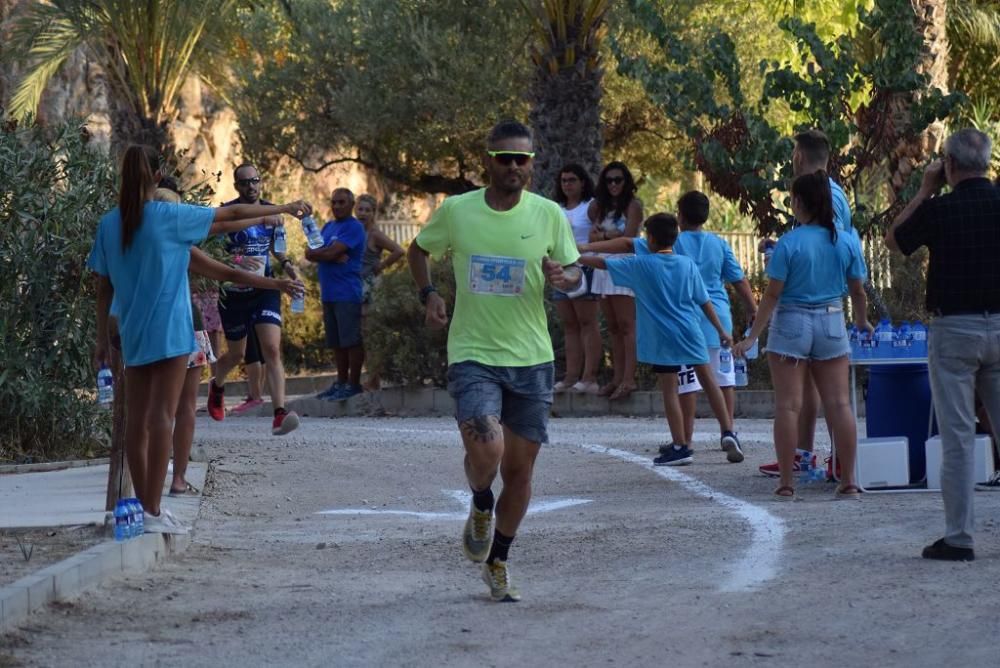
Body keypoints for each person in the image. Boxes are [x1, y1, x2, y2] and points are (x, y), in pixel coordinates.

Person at [90, 145, 310, 533]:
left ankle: (143, 509)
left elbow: (103, 286)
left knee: (136, 422)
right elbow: (232, 216)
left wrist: (100, 340)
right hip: (173, 331)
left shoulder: (109, 224)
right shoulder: (168, 217)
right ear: (157, 179)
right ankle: (154, 511)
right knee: (163, 417)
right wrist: (284, 208)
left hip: (133, 332)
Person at [407, 120, 582, 602]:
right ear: (488, 160)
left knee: (521, 472)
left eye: (521, 160)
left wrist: (564, 278)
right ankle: (481, 502)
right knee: (488, 451)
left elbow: (573, 272)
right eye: (503, 158)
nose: (512, 167)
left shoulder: (548, 214)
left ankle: (499, 560)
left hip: (531, 358)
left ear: (531, 164)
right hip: (473, 352)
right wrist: (430, 294)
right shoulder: (458, 211)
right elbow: (417, 250)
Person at [885, 128, 1000, 561]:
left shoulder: (942, 209)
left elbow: (894, 240)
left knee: (957, 437)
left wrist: (924, 190)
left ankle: (960, 537)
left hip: (955, 331)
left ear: (949, 164)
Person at [735, 171, 870, 501]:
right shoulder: (847, 240)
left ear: (797, 202)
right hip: (832, 320)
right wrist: (863, 321)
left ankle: (786, 483)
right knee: (839, 404)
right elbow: (858, 291)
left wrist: (752, 336)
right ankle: (849, 480)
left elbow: (771, 295)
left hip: (792, 323)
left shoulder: (789, 243)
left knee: (788, 406)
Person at [578, 214, 744, 466]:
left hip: (662, 338)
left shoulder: (641, 265)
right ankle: (728, 431)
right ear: (675, 238)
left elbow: (602, 263)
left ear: (651, 239)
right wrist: (721, 330)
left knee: (670, 389)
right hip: (692, 331)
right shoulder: (687, 264)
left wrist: (574, 255)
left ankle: (680, 445)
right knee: (709, 381)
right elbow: (704, 300)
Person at [757, 129, 855, 479]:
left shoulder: (827, 197)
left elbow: (832, 247)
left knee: (823, 398)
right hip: (827, 313)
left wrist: (751, 333)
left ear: (799, 157)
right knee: (821, 392)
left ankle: (833, 462)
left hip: (811, 308)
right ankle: (806, 455)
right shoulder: (827, 194)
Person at [207, 163, 302, 435]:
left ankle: (279, 414)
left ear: (261, 183)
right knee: (236, 354)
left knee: (271, 349)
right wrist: (238, 259)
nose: (251, 186)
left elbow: (276, 247)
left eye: (255, 181)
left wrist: (287, 265)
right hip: (234, 293)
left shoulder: (273, 211)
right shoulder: (229, 212)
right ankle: (218, 384)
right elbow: (212, 252)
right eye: (245, 182)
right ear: (237, 186)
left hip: (265, 288)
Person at [588, 162, 643, 400]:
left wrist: (605, 236)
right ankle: (617, 377)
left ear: (626, 182)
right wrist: (610, 236)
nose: (613, 184)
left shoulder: (633, 206)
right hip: (603, 266)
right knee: (612, 326)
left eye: (618, 180)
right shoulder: (600, 208)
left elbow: (629, 237)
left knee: (626, 325)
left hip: (623, 265)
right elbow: (592, 233)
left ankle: (629, 378)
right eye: (609, 180)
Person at [306, 188, 367, 400]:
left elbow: (327, 252)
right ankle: (341, 383)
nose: (337, 206)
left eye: (341, 202)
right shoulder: (328, 226)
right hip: (329, 293)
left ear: (351, 204)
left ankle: (354, 384)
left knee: (351, 341)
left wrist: (325, 254)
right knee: (336, 342)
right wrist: (328, 255)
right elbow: (309, 252)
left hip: (347, 293)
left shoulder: (355, 227)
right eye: (334, 202)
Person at [551, 164, 601, 394]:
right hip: (561, 270)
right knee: (570, 325)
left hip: (585, 269)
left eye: (572, 179)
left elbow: (599, 232)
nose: (567, 184)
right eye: (564, 180)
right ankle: (571, 376)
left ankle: (589, 377)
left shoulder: (590, 206)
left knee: (587, 323)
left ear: (582, 182)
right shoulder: (556, 208)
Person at [356, 193, 404, 391]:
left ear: (373, 213)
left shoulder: (374, 234)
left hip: (371, 288)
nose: (363, 213)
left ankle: (374, 379)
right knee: (360, 334)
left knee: (369, 334)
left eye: (368, 210)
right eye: (360, 209)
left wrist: (382, 265)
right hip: (355, 286)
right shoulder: (353, 231)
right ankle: (369, 377)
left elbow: (399, 250)